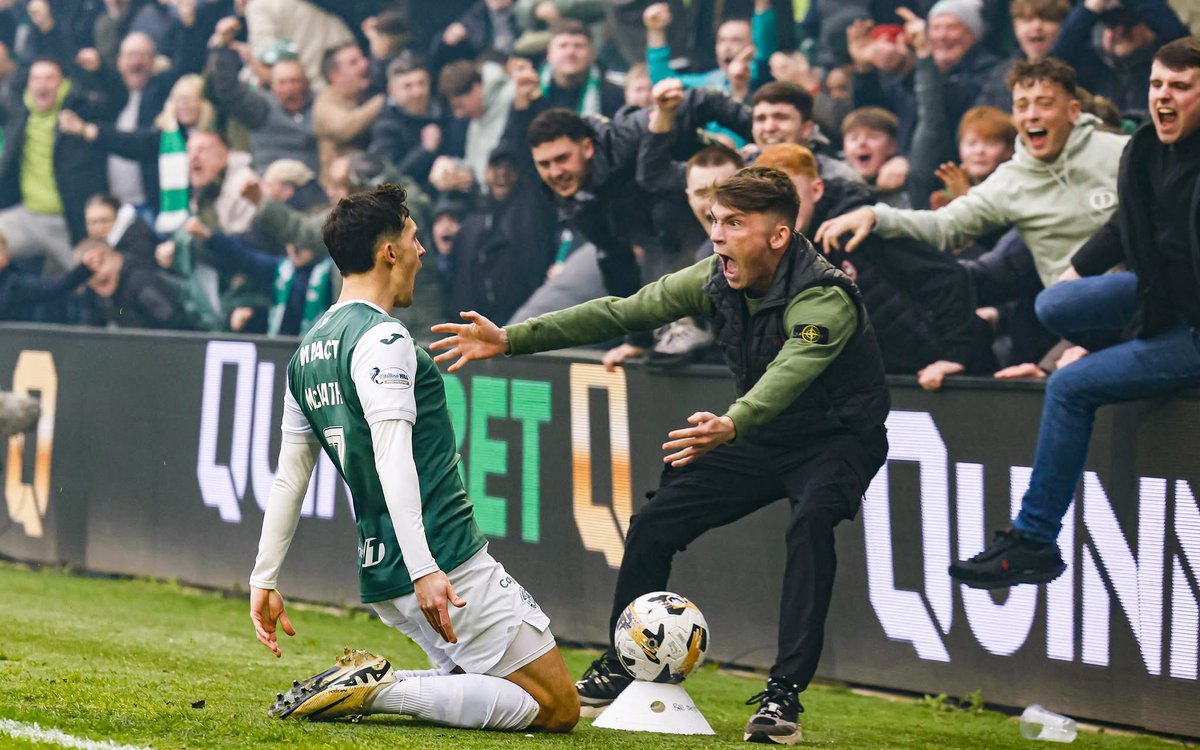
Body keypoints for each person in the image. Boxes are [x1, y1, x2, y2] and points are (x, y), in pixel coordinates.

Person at [430, 167, 890, 745]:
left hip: (837, 438)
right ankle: (623, 665)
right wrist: (512, 338)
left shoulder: (824, 295)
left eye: (734, 223)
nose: (716, 234)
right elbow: (623, 311)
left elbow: (793, 369)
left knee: (812, 524)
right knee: (652, 522)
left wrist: (734, 420)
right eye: (714, 220)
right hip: (759, 433)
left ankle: (783, 695)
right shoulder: (717, 275)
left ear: (778, 236)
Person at [247, 184, 579, 734]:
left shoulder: (307, 351)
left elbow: (289, 479)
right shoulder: (384, 339)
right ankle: (380, 688)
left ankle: (378, 685)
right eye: (413, 237)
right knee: (556, 705)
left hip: (382, 571)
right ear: (389, 251)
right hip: (443, 559)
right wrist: (427, 569)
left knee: (468, 682)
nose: (421, 251)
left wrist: (264, 577)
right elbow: (392, 457)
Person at [950, 37, 1200, 588]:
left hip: (1193, 329)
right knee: (1055, 302)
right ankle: (1121, 345)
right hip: (1159, 298)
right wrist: (1077, 271)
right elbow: (1123, 226)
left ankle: (1034, 541)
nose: (1163, 96)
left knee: (1069, 386)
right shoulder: (1146, 149)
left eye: (1180, 86)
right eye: (1157, 84)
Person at [814, 58, 1127, 296]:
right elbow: (945, 226)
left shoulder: (1122, 153)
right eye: (1022, 106)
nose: (1031, 114)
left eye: (1044, 104)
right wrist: (875, 216)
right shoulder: (1010, 181)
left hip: (1141, 291)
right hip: (1075, 308)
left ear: (1073, 111)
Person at [206, 16, 320, 175]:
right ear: (273, 85)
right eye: (282, 83)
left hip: (313, 183)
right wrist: (223, 47)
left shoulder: (321, 105)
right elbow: (227, 90)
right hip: (271, 184)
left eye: (294, 81)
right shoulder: (261, 107)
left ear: (306, 83)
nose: (289, 89)